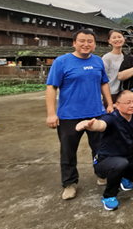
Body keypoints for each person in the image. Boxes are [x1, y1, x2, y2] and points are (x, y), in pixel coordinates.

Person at [46, 29, 113, 200]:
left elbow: (104, 83)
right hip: (69, 116)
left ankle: (102, 174)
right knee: (68, 151)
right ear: (74, 43)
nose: (86, 44)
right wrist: (51, 113)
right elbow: (51, 87)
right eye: (82, 40)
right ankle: (69, 183)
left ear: (94, 44)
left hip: (96, 114)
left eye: (90, 41)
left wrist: (109, 104)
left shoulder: (97, 61)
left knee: (100, 148)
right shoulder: (61, 62)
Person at [75, 90, 133, 211]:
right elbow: (100, 125)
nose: (132, 105)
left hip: (129, 157)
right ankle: (109, 196)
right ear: (117, 105)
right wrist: (90, 125)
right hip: (106, 160)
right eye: (128, 102)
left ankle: (124, 178)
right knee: (120, 163)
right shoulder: (111, 118)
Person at [102, 29, 126, 105]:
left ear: (124, 39)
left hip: (123, 93)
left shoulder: (126, 56)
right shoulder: (106, 58)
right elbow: (102, 78)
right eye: (114, 38)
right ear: (109, 41)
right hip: (110, 93)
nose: (117, 39)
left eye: (119, 37)